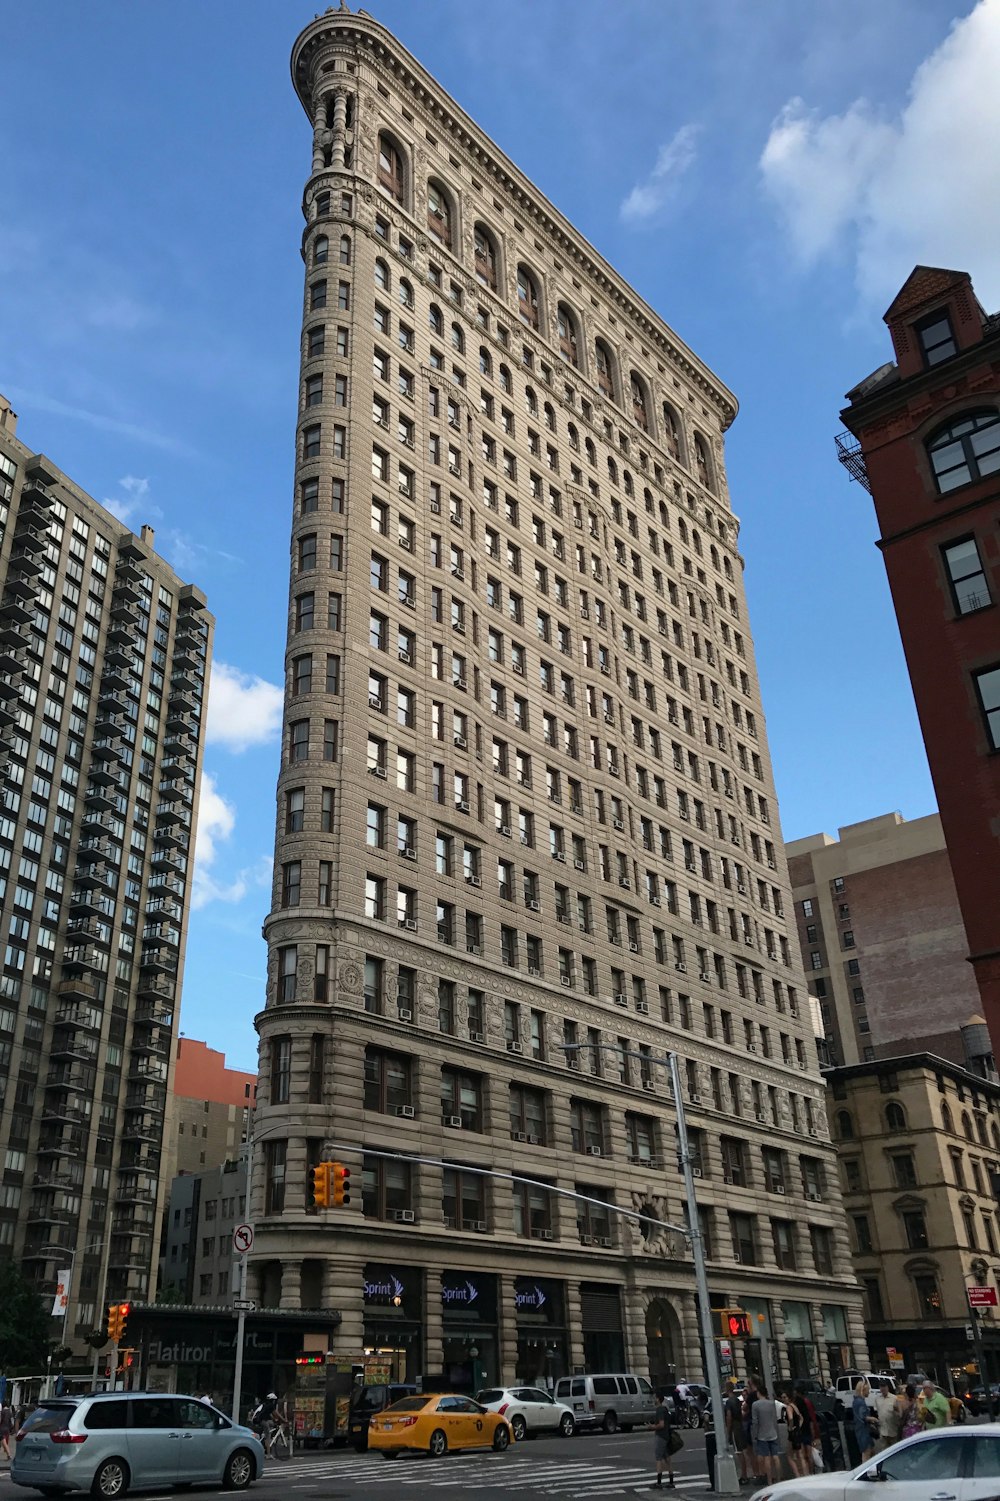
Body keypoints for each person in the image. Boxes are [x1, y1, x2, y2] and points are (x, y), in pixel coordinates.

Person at [750, 1380, 780, 1486]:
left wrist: (754, 1434)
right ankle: (779, 1477)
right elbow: (774, 1418)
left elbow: (755, 1421)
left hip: (762, 1434)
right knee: (775, 1456)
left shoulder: (755, 1405)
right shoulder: (771, 1403)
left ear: (759, 1393)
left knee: (766, 1457)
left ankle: (769, 1480)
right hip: (772, 1432)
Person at [724, 1381, 753, 1487]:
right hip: (740, 1425)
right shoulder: (737, 1400)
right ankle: (745, 1474)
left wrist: (728, 1430)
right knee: (743, 1451)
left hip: (735, 1427)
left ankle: (744, 1476)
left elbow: (729, 1416)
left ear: (727, 1389)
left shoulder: (729, 1402)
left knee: (739, 1452)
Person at [778, 1387, 805, 1478]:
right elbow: (801, 1418)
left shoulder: (789, 1407)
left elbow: (790, 1418)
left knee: (789, 1455)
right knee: (800, 1455)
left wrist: (790, 1428)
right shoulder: (794, 1406)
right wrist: (798, 1427)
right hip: (798, 1431)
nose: (783, 1399)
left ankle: (797, 1475)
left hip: (793, 1433)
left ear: (789, 1397)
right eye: (782, 1397)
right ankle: (804, 1474)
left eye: (785, 1397)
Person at [794, 1383, 821, 1475]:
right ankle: (811, 1472)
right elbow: (811, 1417)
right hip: (807, 1430)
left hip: (801, 1430)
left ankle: (806, 1473)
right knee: (809, 1454)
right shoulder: (807, 1402)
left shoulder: (797, 1403)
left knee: (802, 1455)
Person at [652, 1389, 676, 1489]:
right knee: (667, 1458)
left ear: (658, 1399)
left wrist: (652, 1427)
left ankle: (659, 1482)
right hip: (666, 1436)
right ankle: (671, 1481)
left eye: (654, 1397)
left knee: (659, 1458)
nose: (653, 1399)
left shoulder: (660, 1410)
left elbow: (661, 1425)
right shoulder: (665, 1409)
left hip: (661, 1436)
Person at [874, 1380, 900, 1452]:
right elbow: (877, 1412)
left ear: (888, 1387)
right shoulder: (877, 1399)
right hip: (883, 1430)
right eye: (881, 1387)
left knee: (895, 1450)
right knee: (884, 1451)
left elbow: (898, 1413)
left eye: (884, 1387)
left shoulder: (894, 1398)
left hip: (893, 1429)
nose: (883, 1389)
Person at [853, 1379, 874, 1462]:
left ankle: (871, 1472)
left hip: (860, 1429)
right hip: (863, 1431)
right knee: (866, 1453)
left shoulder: (856, 1401)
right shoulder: (860, 1402)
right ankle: (868, 1473)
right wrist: (874, 1419)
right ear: (863, 1390)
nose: (869, 1392)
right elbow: (863, 1417)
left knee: (870, 1451)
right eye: (868, 1390)